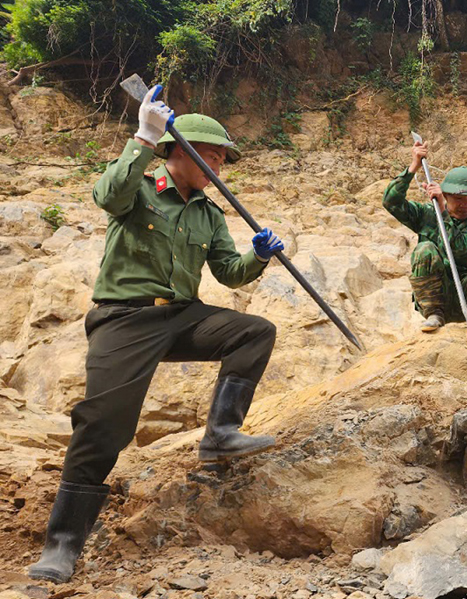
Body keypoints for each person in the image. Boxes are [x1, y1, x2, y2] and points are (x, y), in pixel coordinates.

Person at [28, 85, 285, 583]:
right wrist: (143, 135)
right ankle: (60, 546)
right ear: (179, 151)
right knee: (104, 426)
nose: (218, 167)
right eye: (210, 155)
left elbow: (229, 272)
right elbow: (106, 195)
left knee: (254, 333)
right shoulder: (140, 188)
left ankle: (221, 435)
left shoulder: (209, 214)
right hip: (125, 319)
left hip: (183, 316)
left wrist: (258, 255)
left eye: (223, 160)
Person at [382, 140, 467, 342]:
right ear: (446, 194)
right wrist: (414, 166)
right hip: (435, 297)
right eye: (459, 198)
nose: (465, 205)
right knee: (424, 248)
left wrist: (443, 210)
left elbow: (457, 248)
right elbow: (390, 202)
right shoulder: (425, 215)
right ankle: (434, 314)